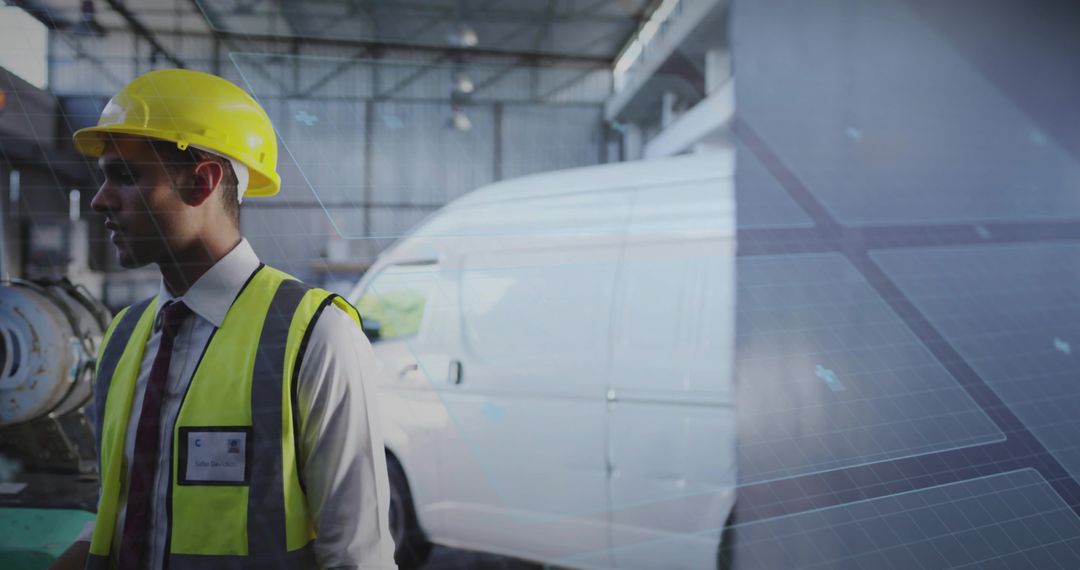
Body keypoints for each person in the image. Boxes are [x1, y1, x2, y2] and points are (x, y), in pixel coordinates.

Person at [48, 68, 397, 570]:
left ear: (201, 182)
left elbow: (357, 556)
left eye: (125, 175)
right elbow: (122, 508)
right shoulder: (122, 337)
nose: (100, 199)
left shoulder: (316, 336)